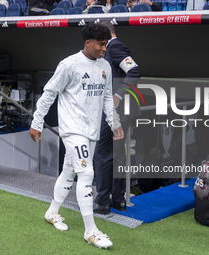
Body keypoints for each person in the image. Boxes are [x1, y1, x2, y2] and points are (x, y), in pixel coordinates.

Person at [29, 22, 124, 249]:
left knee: (69, 171)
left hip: (91, 132)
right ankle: (90, 230)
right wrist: (37, 121)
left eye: (106, 44)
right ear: (88, 42)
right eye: (101, 44)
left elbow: (106, 99)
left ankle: (52, 212)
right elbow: (49, 93)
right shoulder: (69, 65)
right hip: (72, 130)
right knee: (86, 173)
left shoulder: (105, 67)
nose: (104, 49)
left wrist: (115, 122)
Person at [93, 21, 141, 215]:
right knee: (117, 155)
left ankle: (103, 201)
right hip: (124, 112)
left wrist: (118, 95)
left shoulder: (115, 47)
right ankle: (118, 199)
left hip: (117, 111)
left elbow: (134, 71)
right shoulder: (113, 48)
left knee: (103, 154)